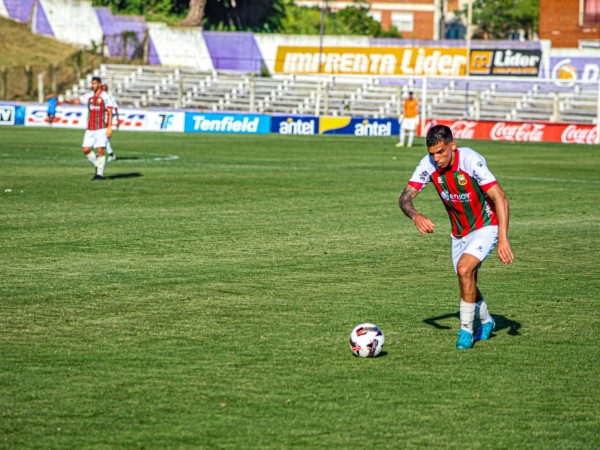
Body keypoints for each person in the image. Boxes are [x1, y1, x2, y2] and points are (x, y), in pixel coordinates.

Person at [399, 125, 513, 350]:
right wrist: (415, 215)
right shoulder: (428, 165)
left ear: (453, 145)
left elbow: (500, 198)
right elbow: (405, 196)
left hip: (486, 225)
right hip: (459, 232)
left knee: (464, 269)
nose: (437, 158)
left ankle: (466, 331)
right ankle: (488, 320)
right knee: (465, 279)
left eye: (441, 152)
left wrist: (503, 238)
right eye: (432, 153)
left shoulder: (470, 160)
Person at [60, 76, 113, 180]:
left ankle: (99, 174)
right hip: (90, 127)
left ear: (99, 84)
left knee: (100, 150)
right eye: (92, 83)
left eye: (95, 83)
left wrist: (109, 128)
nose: (93, 85)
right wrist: (67, 102)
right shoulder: (89, 96)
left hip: (101, 127)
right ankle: (98, 165)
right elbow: (77, 101)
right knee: (86, 149)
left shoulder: (105, 97)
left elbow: (110, 113)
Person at [101, 84, 119, 161]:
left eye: (105, 89)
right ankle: (110, 154)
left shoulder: (109, 98)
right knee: (102, 138)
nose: (104, 90)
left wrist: (118, 119)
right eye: (103, 89)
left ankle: (108, 154)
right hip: (100, 121)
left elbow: (115, 108)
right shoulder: (99, 98)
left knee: (105, 138)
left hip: (107, 121)